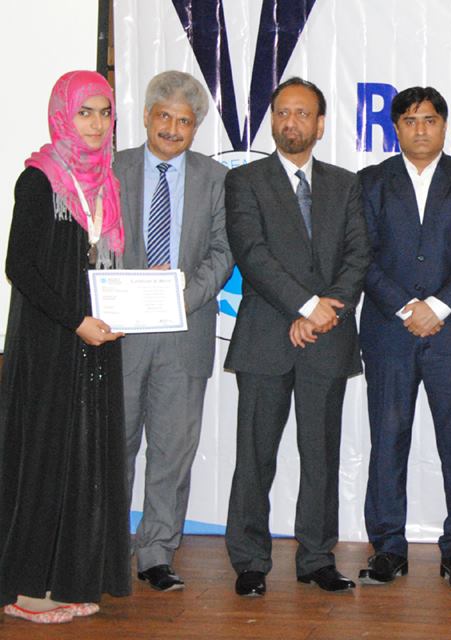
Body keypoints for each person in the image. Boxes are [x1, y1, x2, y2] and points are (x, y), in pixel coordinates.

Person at [223, 77, 370, 596]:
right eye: (283, 112)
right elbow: (252, 253)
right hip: (265, 337)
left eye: (303, 113)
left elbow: (358, 255)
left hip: (327, 338)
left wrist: (324, 312)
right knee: (254, 456)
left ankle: (316, 557)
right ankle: (249, 560)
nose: (291, 122)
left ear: (320, 124)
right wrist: (306, 306)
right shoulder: (245, 181)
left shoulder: (345, 184)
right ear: (272, 121)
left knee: (321, 455)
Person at [0, 71, 130, 623]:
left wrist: (129, 301)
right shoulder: (39, 179)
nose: (96, 124)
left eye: (104, 112)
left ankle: (69, 577)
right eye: (85, 112)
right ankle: (23, 587)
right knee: (42, 457)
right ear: (63, 115)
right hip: (49, 343)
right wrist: (75, 320)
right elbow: (20, 266)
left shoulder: (107, 182)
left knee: (84, 456)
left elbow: (103, 264)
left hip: (95, 343)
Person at [357, 86, 451, 589]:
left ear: (444, 126)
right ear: (396, 128)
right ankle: (388, 548)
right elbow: (361, 255)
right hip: (388, 333)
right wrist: (405, 307)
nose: (420, 129)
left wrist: (436, 307)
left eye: (430, 120)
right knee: (387, 441)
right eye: (410, 121)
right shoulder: (370, 181)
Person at [115, 70, 232, 592]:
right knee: (114, 447)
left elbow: (223, 253)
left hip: (185, 330)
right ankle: (107, 547)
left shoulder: (216, 178)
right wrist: (130, 291)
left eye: (184, 121)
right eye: (164, 116)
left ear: (195, 127)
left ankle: (157, 552)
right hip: (119, 334)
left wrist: (177, 296)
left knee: (172, 452)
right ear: (146, 116)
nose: (172, 129)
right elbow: (95, 244)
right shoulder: (113, 170)